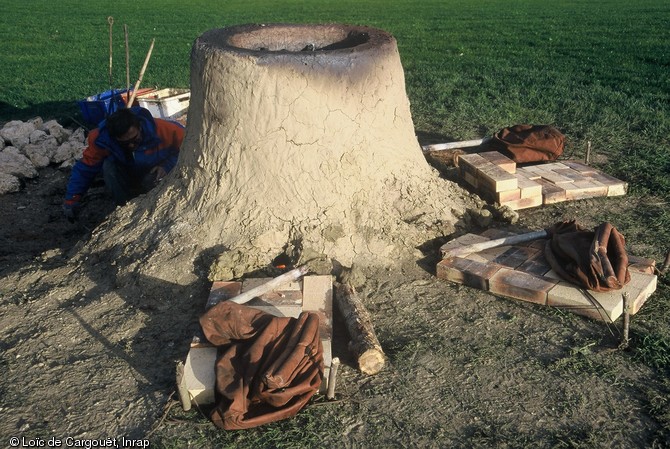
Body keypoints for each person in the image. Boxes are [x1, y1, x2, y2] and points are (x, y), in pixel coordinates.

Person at [63, 106, 185, 222]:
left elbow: (192, 149)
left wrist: (167, 166)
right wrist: (72, 198)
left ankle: (156, 209)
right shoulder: (102, 139)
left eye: (134, 139)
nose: (131, 145)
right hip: (127, 176)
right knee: (109, 168)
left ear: (140, 127)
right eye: (125, 143)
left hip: (156, 173)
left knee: (153, 179)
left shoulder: (166, 130)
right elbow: (85, 168)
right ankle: (125, 210)